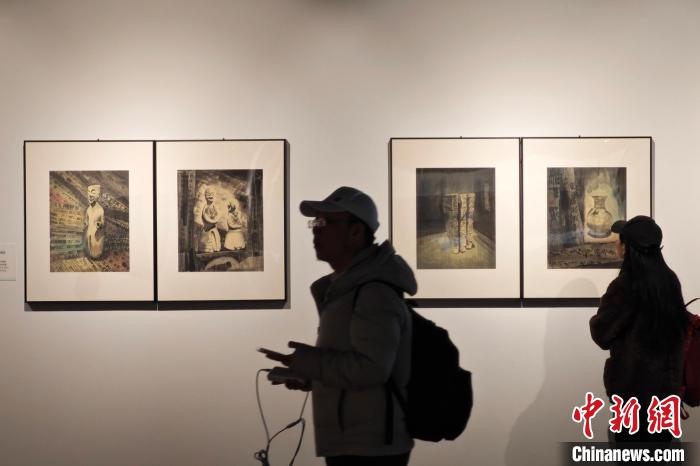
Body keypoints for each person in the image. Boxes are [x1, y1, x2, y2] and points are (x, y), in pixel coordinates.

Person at [263, 186, 416, 466]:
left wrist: (310, 363)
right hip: (356, 441)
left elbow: (371, 369)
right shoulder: (347, 290)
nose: (315, 231)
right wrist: (309, 376)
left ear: (356, 232)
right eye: (315, 223)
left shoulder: (373, 292)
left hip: (370, 448)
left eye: (324, 223)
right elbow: (353, 364)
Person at [590, 215, 688, 444]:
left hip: (632, 394)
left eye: (620, 239)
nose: (617, 243)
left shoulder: (625, 285)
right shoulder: (670, 281)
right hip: (665, 393)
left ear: (627, 248)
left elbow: (601, 334)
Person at [84, 184, 105, 259]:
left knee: (96, 253)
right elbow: (86, 219)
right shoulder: (88, 209)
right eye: (88, 192)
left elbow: (102, 222)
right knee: (89, 247)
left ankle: (95, 255)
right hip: (89, 232)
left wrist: (99, 224)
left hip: (96, 233)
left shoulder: (100, 210)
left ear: (98, 195)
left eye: (93, 192)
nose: (90, 195)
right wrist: (86, 222)